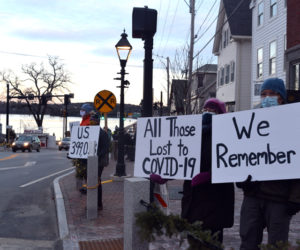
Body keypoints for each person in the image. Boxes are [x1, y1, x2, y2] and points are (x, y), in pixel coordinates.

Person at [151, 98, 235, 244]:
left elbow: (231, 163)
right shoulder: (192, 134)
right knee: (193, 240)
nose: (208, 113)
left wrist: (210, 175)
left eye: (213, 110)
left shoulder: (228, 135)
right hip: (193, 200)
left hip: (215, 201)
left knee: (211, 241)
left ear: (221, 113)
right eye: (205, 110)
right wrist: (166, 174)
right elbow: (181, 160)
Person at [237, 78, 300, 249]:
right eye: (263, 94)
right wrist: (241, 178)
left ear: (281, 98)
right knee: (248, 241)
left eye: (272, 93)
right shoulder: (251, 123)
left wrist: (295, 198)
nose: (267, 97)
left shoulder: (294, 124)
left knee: (277, 245)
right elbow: (242, 156)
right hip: (253, 195)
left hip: (280, 198)